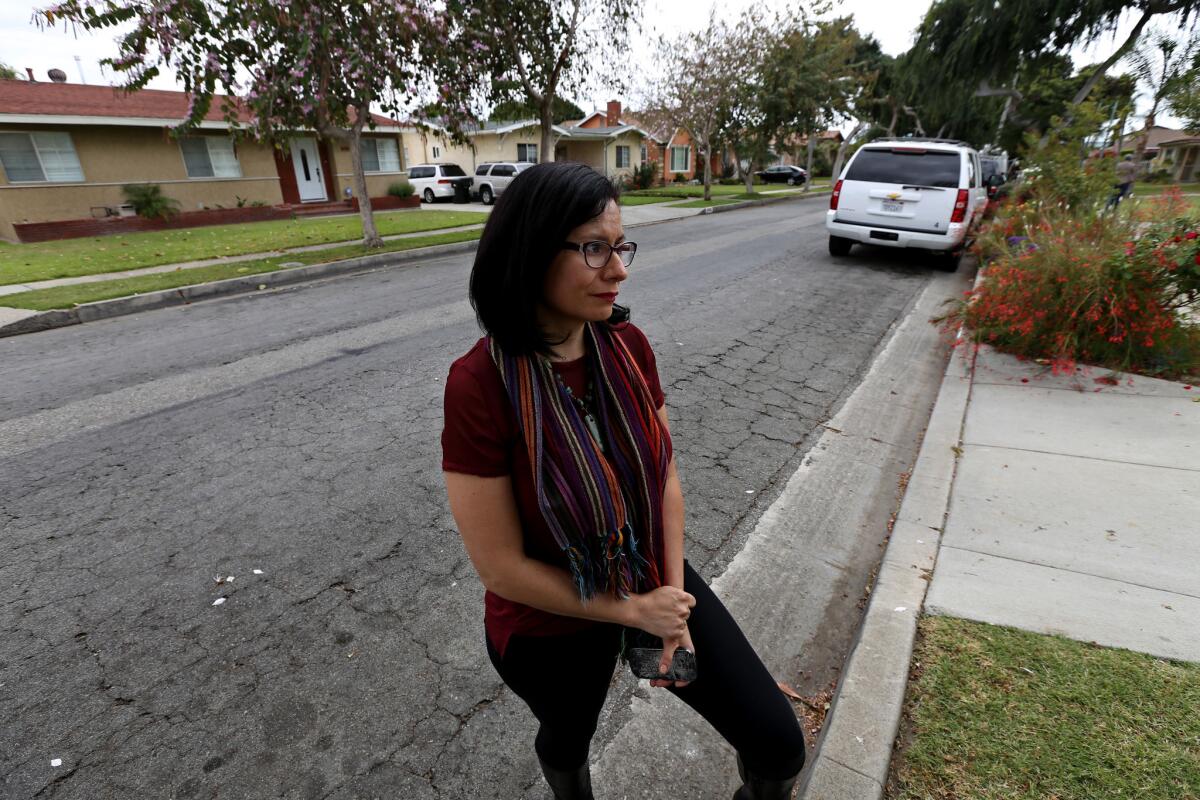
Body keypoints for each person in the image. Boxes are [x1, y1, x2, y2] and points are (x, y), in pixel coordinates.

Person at [441, 161, 807, 800]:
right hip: (550, 616)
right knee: (568, 733)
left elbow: (664, 477)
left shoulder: (628, 347)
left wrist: (668, 602)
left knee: (777, 746)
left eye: (621, 247)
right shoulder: (479, 385)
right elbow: (499, 566)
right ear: (530, 252)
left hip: (646, 572)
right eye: (593, 249)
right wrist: (630, 609)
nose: (619, 269)